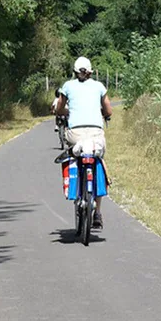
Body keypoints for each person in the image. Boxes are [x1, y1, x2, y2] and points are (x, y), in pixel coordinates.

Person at [55, 56, 113, 228]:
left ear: (74, 72)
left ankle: (74, 173)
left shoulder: (67, 86)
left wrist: (67, 112)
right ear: (90, 72)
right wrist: (106, 115)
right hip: (96, 133)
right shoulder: (99, 86)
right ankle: (98, 211)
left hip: (76, 133)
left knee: (74, 153)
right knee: (99, 160)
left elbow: (59, 108)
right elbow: (108, 109)